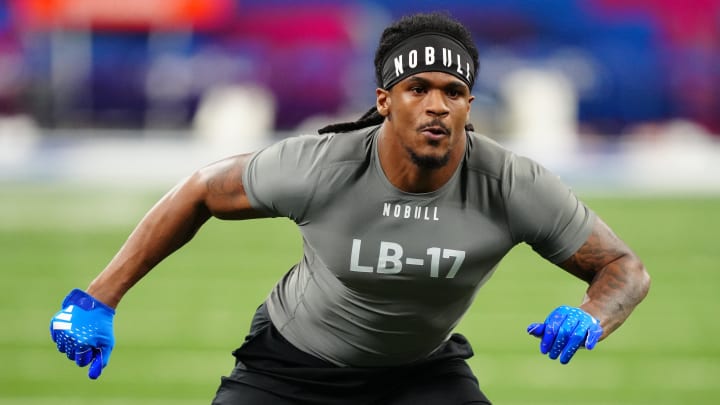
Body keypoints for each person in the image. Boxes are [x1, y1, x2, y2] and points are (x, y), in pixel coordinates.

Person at [49, 12, 651, 405]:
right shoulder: (324, 165)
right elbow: (201, 190)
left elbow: (624, 268)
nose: (437, 106)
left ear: (471, 104)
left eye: (454, 92)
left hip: (420, 375)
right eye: (419, 89)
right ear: (385, 101)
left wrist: (592, 316)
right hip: (289, 371)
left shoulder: (512, 183)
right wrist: (97, 299)